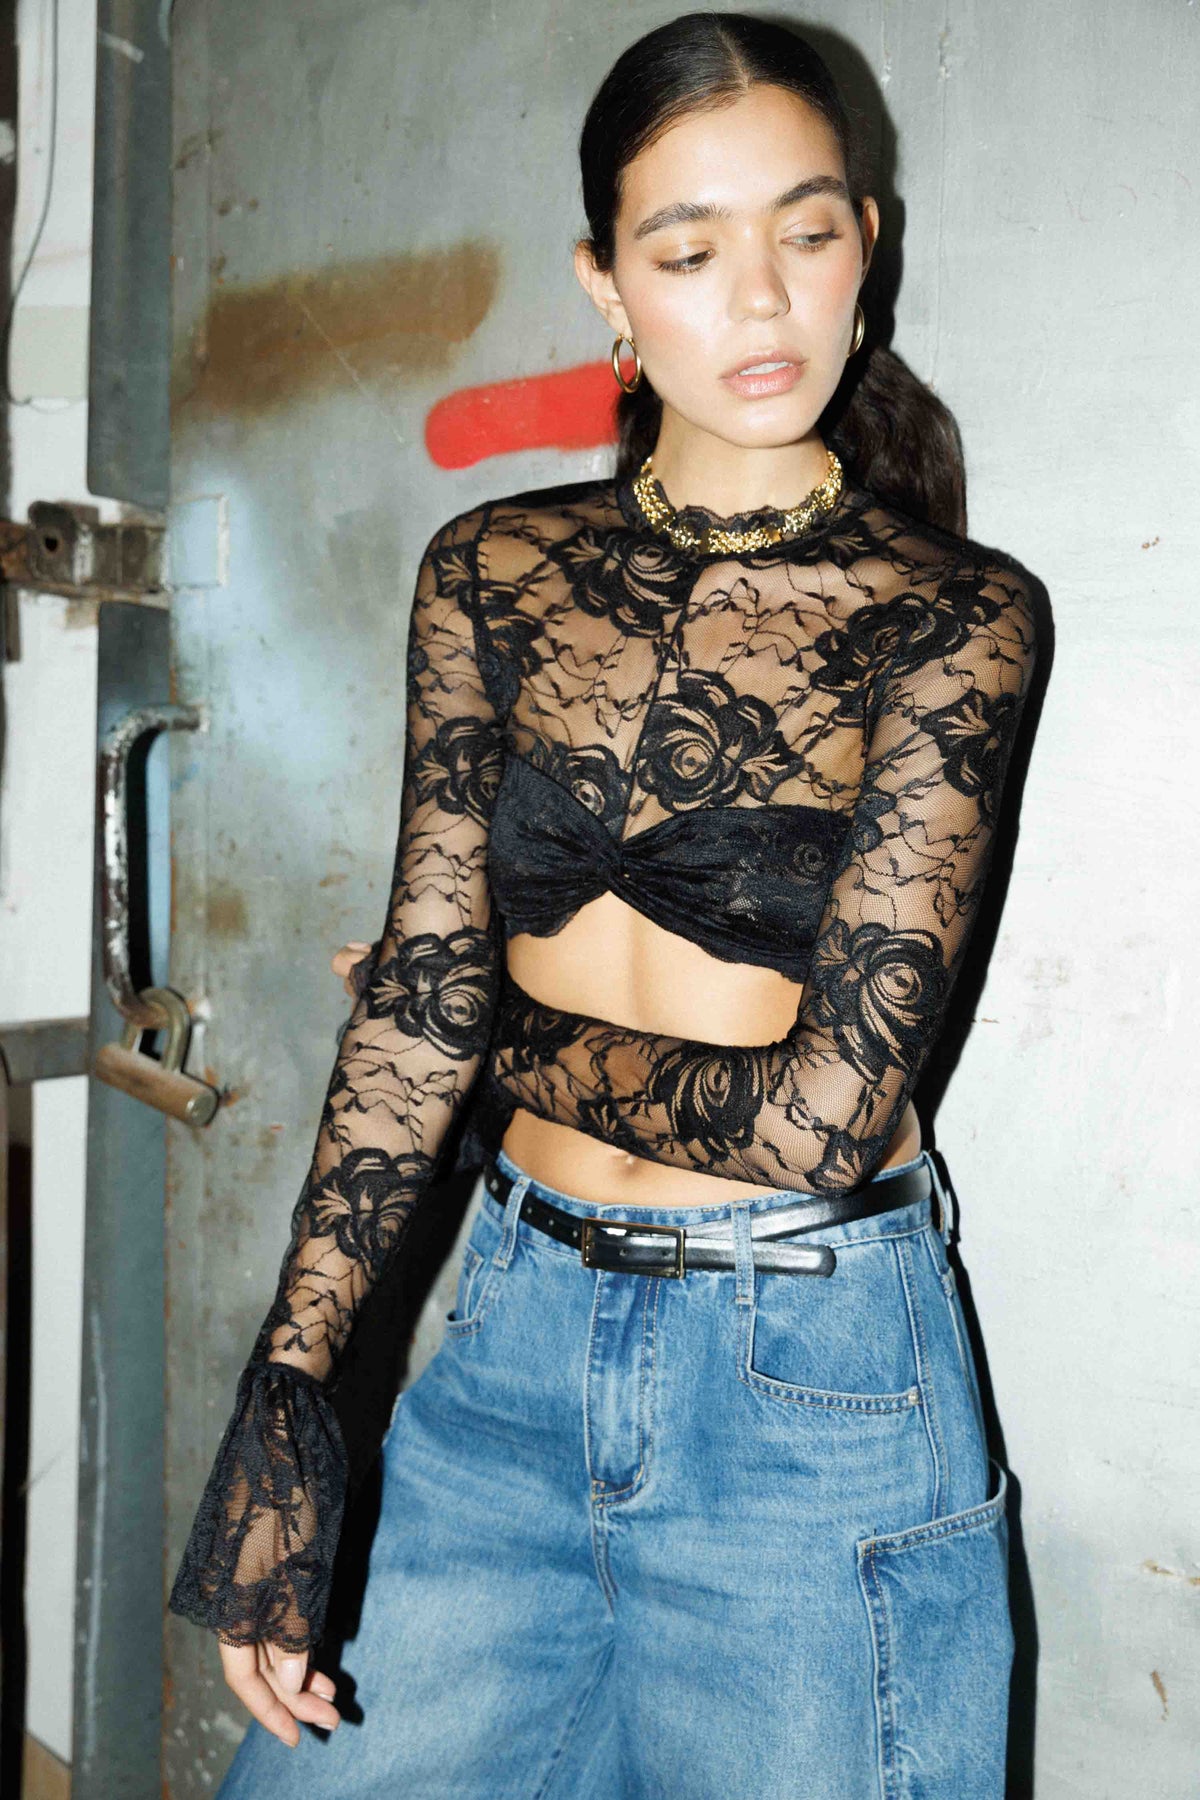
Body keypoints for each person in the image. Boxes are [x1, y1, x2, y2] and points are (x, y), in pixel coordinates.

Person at [168, 13, 1041, 1796]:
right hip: (509, 1342)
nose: (761, 298)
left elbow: (819, 1115)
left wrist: (476, 1024)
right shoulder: (491, 570)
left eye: (806, 232)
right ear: (607, 285)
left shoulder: (956, 612)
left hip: (812, 1386)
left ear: (867, 246)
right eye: (688, 249)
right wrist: (291, 1399)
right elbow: (412, 996)